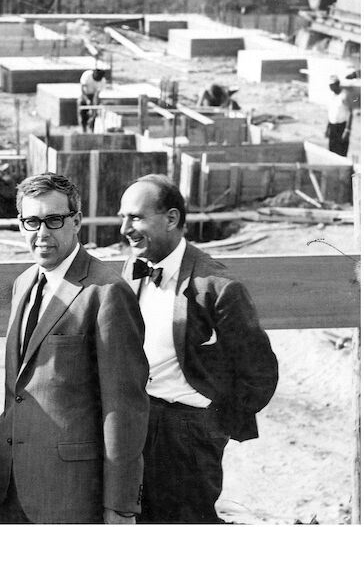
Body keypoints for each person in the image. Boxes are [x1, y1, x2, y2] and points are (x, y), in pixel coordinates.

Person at [0, 173, 150, 524]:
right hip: (12, 484)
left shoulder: (106, 292)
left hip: (71, 492)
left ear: (76, 221)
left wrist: (119, 505)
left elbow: (123, 407)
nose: (42, 233)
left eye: (54, 220)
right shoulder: (24, 283)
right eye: (31, 221)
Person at [118, 174, 278, 524]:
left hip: (187, 432)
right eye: (122, 217)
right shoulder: (133, 268)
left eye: (135, 217)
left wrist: (213, 424)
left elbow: (260, 372)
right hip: (137, 421)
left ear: (172, 219)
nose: (124, 228)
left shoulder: (218, 287)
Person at [325, 75, 353, 156]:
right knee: (332, 152)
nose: (330, 87)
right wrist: (328, 128)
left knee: (341, 152)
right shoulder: (331, 96)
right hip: (332, 127)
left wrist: (347, 130)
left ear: (337, 84)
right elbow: (331, 113)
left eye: (331, 85)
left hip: (341, 127)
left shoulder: (344, 95)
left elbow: (350, 113)